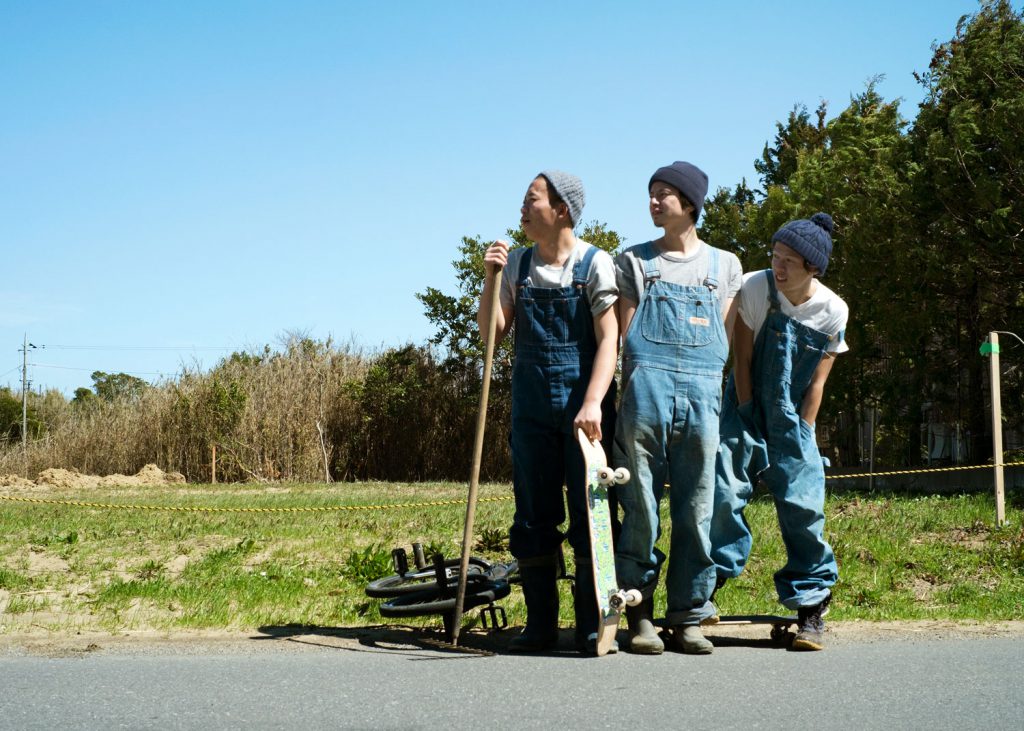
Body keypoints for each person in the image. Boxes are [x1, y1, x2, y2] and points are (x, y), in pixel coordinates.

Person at [478, 170, 619, 654]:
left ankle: (590, 624)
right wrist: (490, 277)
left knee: (589, 516)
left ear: (561, 210)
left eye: (530, 199)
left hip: (585, 410)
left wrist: (595, 401)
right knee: (533, 516)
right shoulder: (517, 265)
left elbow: (609, 340)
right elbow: (493, 334)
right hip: (531, 408)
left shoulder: (595, 264)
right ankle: (540, 624)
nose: (521, 208)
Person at [613, 161, 742, 655]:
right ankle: (639, 612)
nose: (653, 202)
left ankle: (688, 615)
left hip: (704, 395)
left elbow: (725, 339)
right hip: (645, 394)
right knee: (640, 503)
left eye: (663, 194)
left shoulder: (724, 265)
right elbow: (626, 339)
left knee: (697, 504)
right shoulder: (635, 261)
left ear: (689, 203)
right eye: (651, 193)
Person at [710, 212, 848, 651]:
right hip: (745, 403)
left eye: (789, 260)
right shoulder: (755, 287)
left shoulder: (833, 309)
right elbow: (743, 360)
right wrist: (748, 413)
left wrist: (802, 432)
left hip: (792, 416)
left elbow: (818, 383)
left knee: (804, 504)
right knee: (723, 490)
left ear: (813, 268)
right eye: (775, 255)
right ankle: (703, 590)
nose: (779, 266)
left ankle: (811, 607)